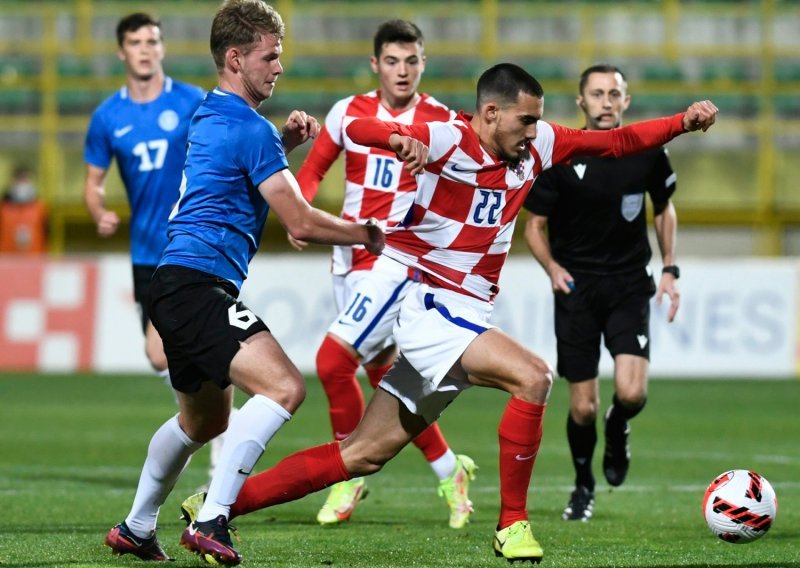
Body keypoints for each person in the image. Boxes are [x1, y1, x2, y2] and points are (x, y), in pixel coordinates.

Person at [178, 63, 717, 563]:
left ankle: (216, 506)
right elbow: (359, 129)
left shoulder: (539, 145)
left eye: (537, 120)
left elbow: (618, 141)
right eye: (525, 120)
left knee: (362, 455)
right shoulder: (447, 137)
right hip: (430, 303)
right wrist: (396, 139)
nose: (534, 131)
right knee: (534, 378)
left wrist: (682, 123)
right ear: (490, 114)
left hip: (462, 313)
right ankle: (513, 524)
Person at [103, 1, 384, 565]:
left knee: (204, 420)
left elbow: (237, 171)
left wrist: (281, 143)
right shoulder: (249, 129)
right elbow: (300, 221)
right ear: (236, 58)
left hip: (176, 283)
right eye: (270, 56)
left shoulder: (211, 112)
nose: (279, 67)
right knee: (284, 388)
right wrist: (366, 234)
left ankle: (136, 528)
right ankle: (213, 519)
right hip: (197, 284)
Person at [287, 19, 475, 528]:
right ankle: (449, 470)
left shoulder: (439, 120)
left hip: (401, 264)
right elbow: (313, 169)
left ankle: (345, 477)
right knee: (382, 375)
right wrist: (298, 211)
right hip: (349, 260)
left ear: (423, 63)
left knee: (332, 364)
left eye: (412, 61)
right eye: (392, 61)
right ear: (376, 64)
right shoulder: (348, 111)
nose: (402, 71)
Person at [522, 63, 681, 522]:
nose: (606, 102)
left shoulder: (648, 150)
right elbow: (533, 226)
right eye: (597, 94)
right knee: (583, 406)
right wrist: (551, 267)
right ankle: (583, 485)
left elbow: (664, 210)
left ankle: (620, 426)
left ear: (626, 101)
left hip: (630, 285)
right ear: (581, 103)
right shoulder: (560, 155)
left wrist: (670, 269)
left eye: (614, 94)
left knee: (630, 395)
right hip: (577, 289)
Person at [82, 11, 228, 490]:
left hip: (191, 243)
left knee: (164, 350)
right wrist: (98, 210)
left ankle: (214, 426)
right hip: (146, 251)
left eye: (152, 41)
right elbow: (93, 184)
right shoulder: (108, 116)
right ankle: (213, 410)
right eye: (136, 42)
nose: (146, 49)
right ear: (122, 52)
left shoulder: (190, 100)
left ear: (162, 48)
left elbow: (225, 140)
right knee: (159, 356)